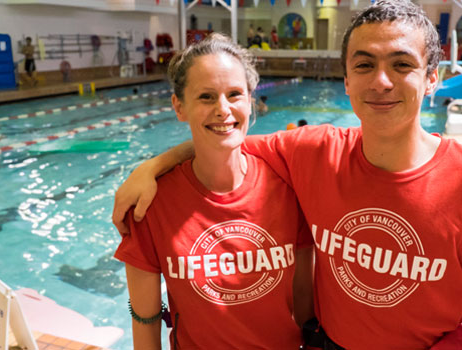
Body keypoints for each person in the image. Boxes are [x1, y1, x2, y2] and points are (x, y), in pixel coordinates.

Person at [112, 1, 462, 349]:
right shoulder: (315, 151)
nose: (382, 81)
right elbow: (226, 139)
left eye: (402, 64)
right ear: (347, 80)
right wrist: (152, 167)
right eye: (365, 65)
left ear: (432, 80)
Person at [113, 33, 314, 349]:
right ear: (179, 106)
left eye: (234, 94)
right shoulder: (150, 203)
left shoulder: (289, 188)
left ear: (250, 101)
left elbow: (305, 302)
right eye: (206, 97)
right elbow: (145, 322)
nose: (223, 110)